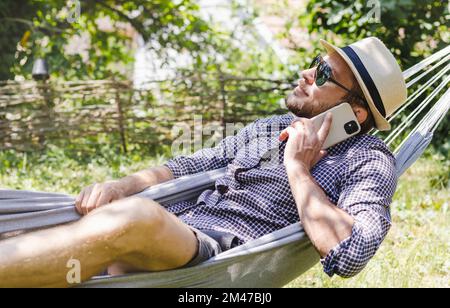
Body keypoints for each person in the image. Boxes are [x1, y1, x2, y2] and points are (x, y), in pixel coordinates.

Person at [0, 37, 407, 287]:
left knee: (138, 218)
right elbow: (195, 164)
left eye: (322, 73)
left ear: (355, 114)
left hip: (215, 258)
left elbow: (350, 253)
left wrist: (297, 168)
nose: (305, 72)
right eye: (314, 63)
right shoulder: (276, 125)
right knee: (35, 221)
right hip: (171, 227)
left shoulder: (368, 161)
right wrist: (123, 185)